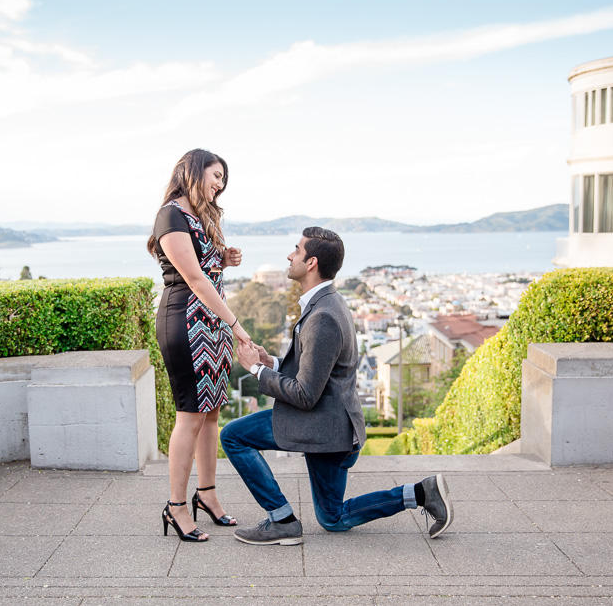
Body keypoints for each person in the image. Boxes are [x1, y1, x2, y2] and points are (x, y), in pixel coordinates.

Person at [221, 227, 453, 545]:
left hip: (326, 430)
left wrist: (257, 370)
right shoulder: (328, 302)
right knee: (333, 518)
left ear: (312, 262)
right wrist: (271, 363)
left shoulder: (324, 316)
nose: (290, 256)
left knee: (233, 436)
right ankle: (420, 493)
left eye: (296, 250)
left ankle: (282, 519)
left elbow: (305, 394)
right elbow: (316, 371)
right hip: (333, 425)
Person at [147, 149, 251, 542]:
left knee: (210, 414)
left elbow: (204, 268)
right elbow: (191, 278)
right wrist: (236, 325)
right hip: (187, 324)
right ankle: (175, 506)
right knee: (190, 416)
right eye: (216, 175)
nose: (219, 184)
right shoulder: (170, 215)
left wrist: (223, 259)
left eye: (223, 179)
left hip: (209, 326)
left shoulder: (196, 217)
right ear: (193, 171)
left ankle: (206, 494)